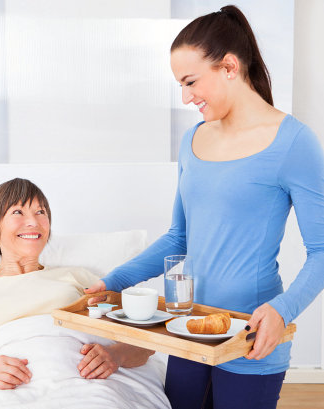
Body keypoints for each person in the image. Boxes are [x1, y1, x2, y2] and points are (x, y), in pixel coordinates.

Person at [85, 4, 324, 409]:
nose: (185, 96)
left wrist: (283, 310)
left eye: (191, 81)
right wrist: (115, 282)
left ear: (229, 67)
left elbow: (321, 251)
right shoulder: (193, 140)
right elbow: (180, 236)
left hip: (250, 340)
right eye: (180, 84)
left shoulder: (293, 142)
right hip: (186, 330)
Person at [0, 178, 154, 391]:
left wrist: (117, 355)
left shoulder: (80, 279)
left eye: (41, 212)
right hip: (4, 391)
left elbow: (145, 343)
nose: (34, 222)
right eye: (18, 212)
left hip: (83, 385)